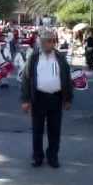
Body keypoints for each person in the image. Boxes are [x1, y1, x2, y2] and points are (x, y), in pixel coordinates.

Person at [21, 29, 73, 169]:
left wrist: (68, 99)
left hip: (55, 98)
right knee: (37, 130)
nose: (46, 44)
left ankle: (52, 156)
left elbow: (67, 79)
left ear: (54, 43)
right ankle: (37, 156)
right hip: (38, 98)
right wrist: (25, 100)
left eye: (49, 41)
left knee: (54, 130)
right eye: (44, 41)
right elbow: (26, 78)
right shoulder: (34, 57)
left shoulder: (60, 58)